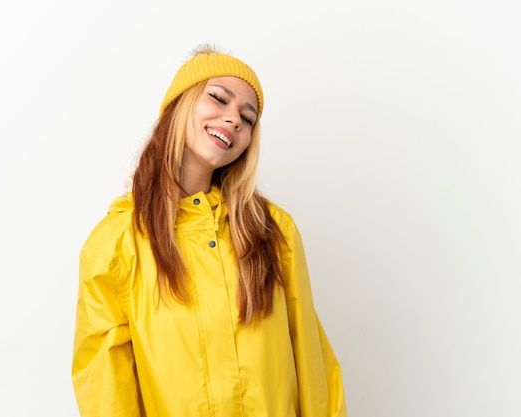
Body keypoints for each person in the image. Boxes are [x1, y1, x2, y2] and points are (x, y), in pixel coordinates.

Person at [71, 44, 347, 417]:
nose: (234, 119)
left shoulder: (272, 232)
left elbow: (311, 361)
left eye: (248, 118)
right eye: (218, 98)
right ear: (179, 105)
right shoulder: (116, 245)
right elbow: (105, 390)